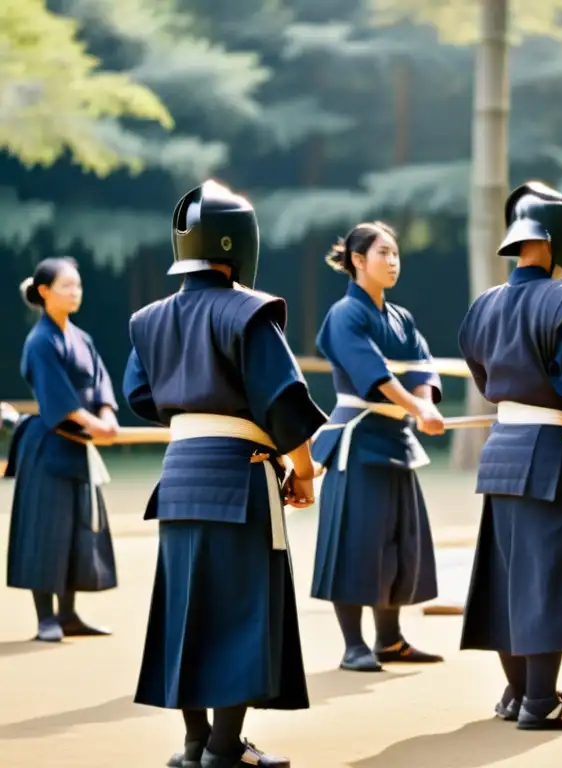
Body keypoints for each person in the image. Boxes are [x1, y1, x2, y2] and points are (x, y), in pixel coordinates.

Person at [123, 179, 326, 768]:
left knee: (187, 611)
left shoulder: (148, 319)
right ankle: (222, 749)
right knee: (242, 610)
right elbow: (283, 402)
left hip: (179, 477)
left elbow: (141, 395)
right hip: (239, 478)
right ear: (239, 244)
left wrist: (191, 411)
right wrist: (304, 471)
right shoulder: (251, 312)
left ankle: (194, 745)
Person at [458, 181, 562, 730]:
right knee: (549, 576)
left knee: (511, 575)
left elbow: (486, 380)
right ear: (556, 240)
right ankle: (540, 701)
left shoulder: (485, 304)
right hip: (553, 456)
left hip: (504, 450)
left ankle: (515, 694)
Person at [310, 221, 446, 672]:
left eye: (396, 254)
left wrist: (424, 405)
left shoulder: (401, 317)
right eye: (383, 253)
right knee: (356, 542)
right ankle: (354, 644)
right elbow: (375, 375)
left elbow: (423, 366)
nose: (392, 261)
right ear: (356, 260)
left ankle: (390, 638)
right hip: (358, 440)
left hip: (396, 439)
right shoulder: (345, 315)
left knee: (396, 541)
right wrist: (416, 408)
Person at [5, 257, 119, 643]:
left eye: (78, 286)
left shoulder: (81, 338)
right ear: (44, 291)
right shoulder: (41, 341)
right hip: (49, 446)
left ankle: (69, 614)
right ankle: (46, 619)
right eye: (67, 286)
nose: (75, 293)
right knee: (46, 531)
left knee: (77, 529)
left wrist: (107, 415)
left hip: (80, 447)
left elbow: (101, 383)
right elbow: (60, 401)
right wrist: (95, 424)